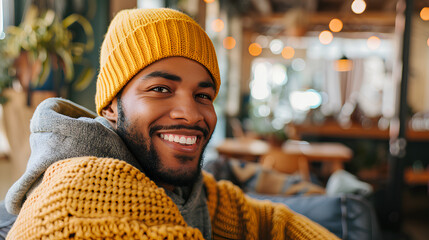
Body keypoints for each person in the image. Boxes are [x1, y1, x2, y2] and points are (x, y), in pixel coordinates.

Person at [2, 8, 339, 239]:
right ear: (110, 107)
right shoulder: (86, 190)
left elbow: (268, 222)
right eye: (161, 89)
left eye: (203, 95)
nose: (191, 114)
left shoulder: (188, 190)